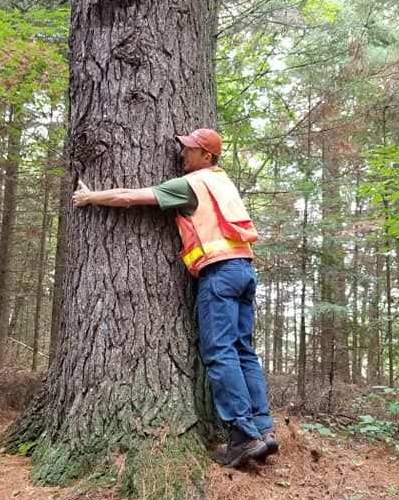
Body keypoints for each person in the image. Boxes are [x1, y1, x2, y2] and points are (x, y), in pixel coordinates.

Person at [73, 127, 277, 469]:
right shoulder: (222, 182)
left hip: (220, 274)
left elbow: (131, 196)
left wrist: (91, 197)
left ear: (206, 156)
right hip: (244, 270)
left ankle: (244, 436)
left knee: (221, 353)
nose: (182, 154)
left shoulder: (192, 184)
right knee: (243, 351)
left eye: (189, 149)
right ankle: (264, 430)